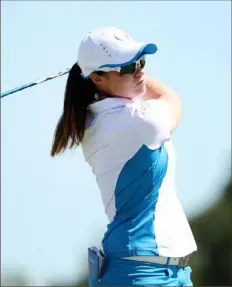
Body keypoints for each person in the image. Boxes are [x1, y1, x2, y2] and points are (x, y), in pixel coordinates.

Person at [51, 26, 197, 286]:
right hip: (142, 273)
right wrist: (88, 69)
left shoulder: (96, 118)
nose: (140, 70)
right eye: (128, 67)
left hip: (161, 271)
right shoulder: (138, 120)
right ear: (97, 79)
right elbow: (171, 99)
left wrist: (102, 69)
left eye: (142, 61)